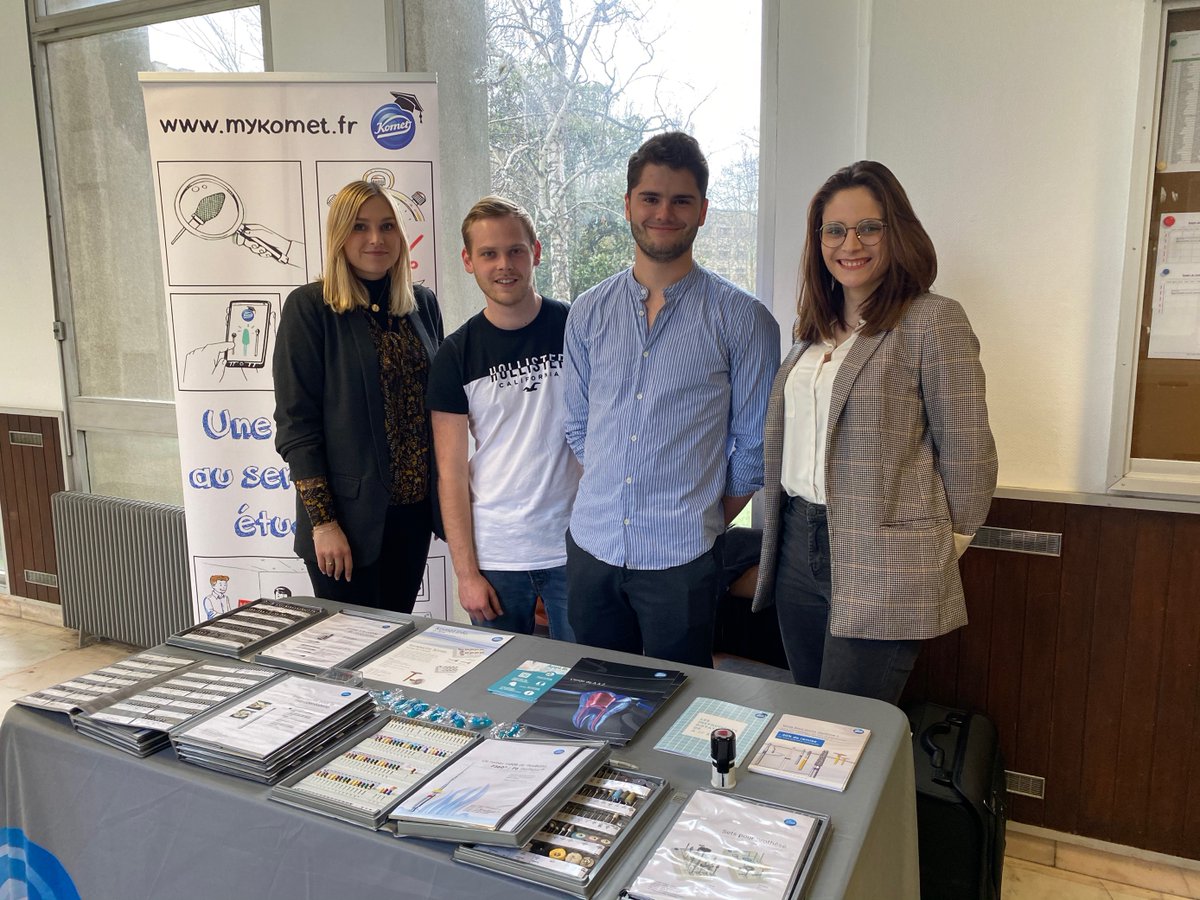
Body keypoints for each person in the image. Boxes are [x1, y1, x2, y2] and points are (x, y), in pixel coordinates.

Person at [752, 160, 997, 703]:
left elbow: (969, 450)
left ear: (896, 232)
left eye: (869, 227)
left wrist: (940, 549)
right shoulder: (810, 332)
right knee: (808, 719)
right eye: (834, 230)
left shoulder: (932, 321)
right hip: (796, 544)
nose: (850, 243)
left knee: (847, 734)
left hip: (883, 559)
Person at [563, 131, 780, 667]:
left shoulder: (744, 320)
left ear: (703, 210)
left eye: (681, 200)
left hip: (683, 559)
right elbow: (577, 425)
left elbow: (754, 448)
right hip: (591, 548)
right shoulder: (588, 312)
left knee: (677, 710)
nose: (664, 212)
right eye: (651, 198)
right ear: (629, 205)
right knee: (596, 699)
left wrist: (700, 517)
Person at [273, 180, 443, 613]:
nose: (375, 239)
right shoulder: (310, 308)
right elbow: (297, 427)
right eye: (360, 227)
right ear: (339, 237)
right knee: (350, 654)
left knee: (395, 641)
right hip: (345, 523)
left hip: (412, 516)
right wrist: (323, 522)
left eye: (387, 226)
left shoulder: (421, 305)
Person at [426, 196, 580, 640]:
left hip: (575, 548)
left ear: (536, 250)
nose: (504, 264)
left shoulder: (578, 328)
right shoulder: (455, 354)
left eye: (515, 250)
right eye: (488, 253)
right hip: (496, 554)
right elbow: (450, 475)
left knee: (585, 684)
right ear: (468, 261)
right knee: (498, 689)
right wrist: (466, 574)